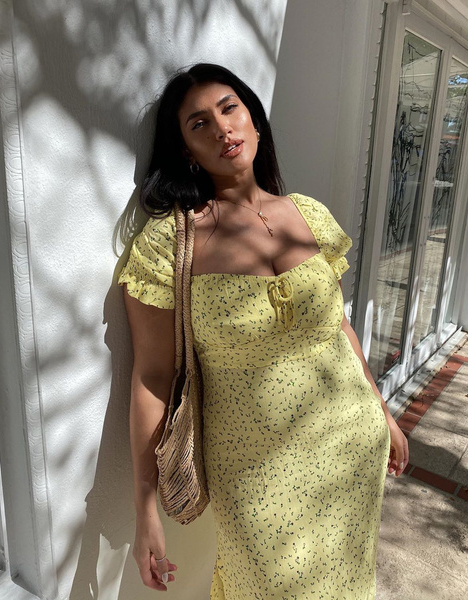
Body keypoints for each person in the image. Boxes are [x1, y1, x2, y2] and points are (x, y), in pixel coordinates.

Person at [118, 63, 409, 599]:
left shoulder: (309, 216)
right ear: (185, 150)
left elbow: (338, 328)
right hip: (252, 470)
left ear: (253, 119)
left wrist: (382, 413)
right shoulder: (168, 246)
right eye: (199, 124)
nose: (222, 128)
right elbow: (152, 377)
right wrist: (144, 509)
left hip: (351, 445)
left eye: (229, 108)